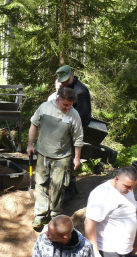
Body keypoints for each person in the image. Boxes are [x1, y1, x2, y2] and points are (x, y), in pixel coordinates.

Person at [27, 87, 84, 230]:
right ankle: (39, 215)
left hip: (62, 156)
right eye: (65, 104)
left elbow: (78, 138)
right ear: (57, 100)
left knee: (59, 186)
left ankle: (55, 215)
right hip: (43, 153)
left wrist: (77, 158)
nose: (67, 107)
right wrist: (30, 144)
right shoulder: (45, 107)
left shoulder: (74, 115)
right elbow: (34, 124)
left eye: (70, 105)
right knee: (41, 184)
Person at [85, 166, 137, 257]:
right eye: (128, 186)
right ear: (117, 179)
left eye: (133, 186)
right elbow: (89, 222)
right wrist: (95, 252)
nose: (131, 190)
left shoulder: (127, 189)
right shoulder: (102, 194)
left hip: (125, 248)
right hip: (108, 249)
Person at [56, 65, 91, 201]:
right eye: (62, 81)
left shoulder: (81, 91)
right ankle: (73, 186)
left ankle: (69, 190)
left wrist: (73, 132)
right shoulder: (63, 87)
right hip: (63, 128)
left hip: (77, 129)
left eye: (66, 80)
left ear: (72, 75)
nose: (63, 83)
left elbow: (83, 116)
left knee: (68, 159)